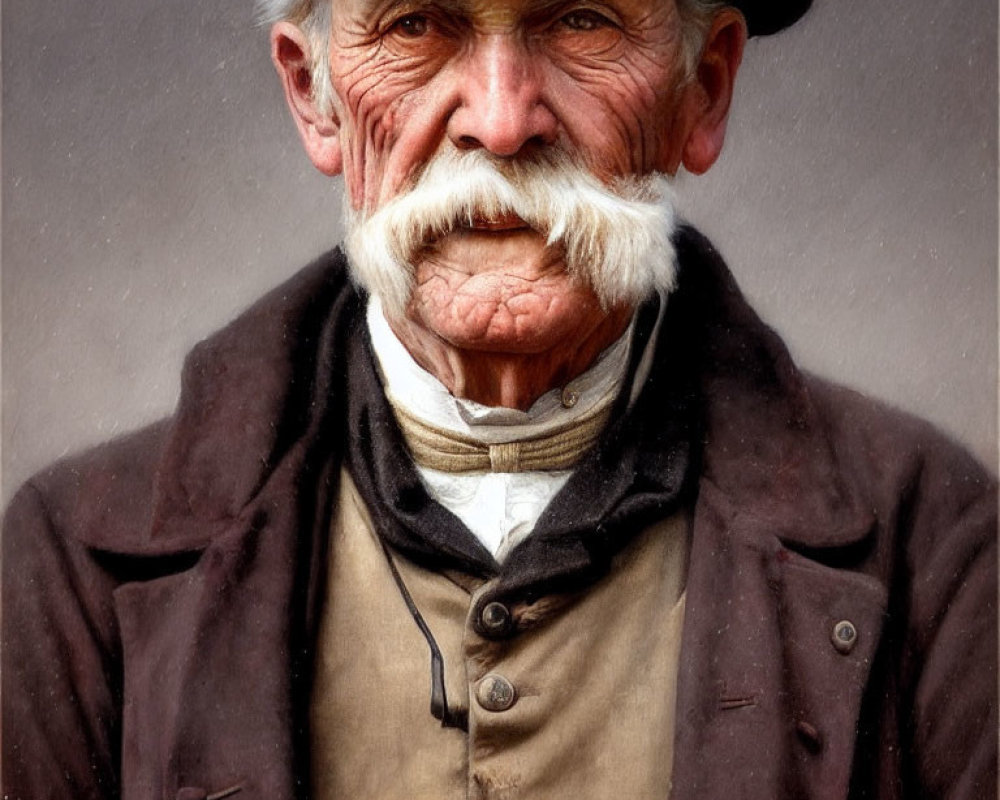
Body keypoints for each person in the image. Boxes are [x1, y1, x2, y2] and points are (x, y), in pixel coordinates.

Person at [2, 0, 995, 798]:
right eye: (416, 24)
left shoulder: (936, 544)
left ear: (703, 87)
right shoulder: (72, 562)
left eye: (582, 22)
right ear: (314, 96)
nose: (500, 118)